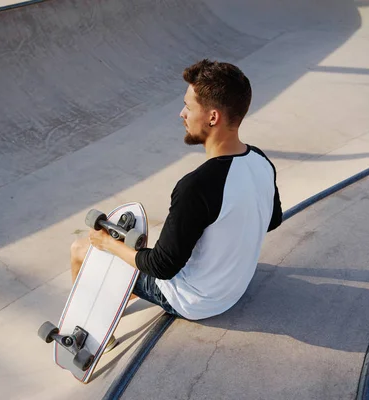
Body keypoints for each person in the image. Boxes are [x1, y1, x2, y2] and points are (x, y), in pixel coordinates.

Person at [70, 59, 282, 331]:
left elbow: (162, 267)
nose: (182, 113)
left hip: (195, 301)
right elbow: (273, 219)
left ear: (212, 117)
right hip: (234, 288)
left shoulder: (196, 186)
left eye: (189, 106)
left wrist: (109, 245)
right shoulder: (261, 161)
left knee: (81, 249)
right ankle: (125, 289)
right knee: (150, 249)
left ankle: (90, 330)